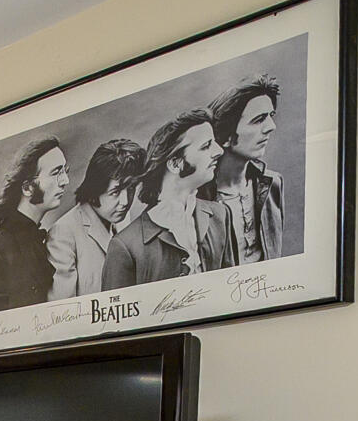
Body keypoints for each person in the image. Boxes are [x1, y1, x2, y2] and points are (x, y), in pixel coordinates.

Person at [103, 110, 236, 288]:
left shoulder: (221, 215)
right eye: (206, 146)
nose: (219, 151)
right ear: (175, 164)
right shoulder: (125, 246)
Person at [0, 137, 70, 313]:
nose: (65, 181)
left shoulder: (34, 241)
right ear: (27, 188)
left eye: (64, 171)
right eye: (55, 173)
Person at [46, 139, 147, 301]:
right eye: (115, 191)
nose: (125, 201)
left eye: (131, 189)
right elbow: (62, 308)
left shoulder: (122, 219)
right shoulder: (63, 233)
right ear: (96, 189)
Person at [210, 78, 286, 265]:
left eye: (271, 116)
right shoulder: (196, 197)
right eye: (258, 120)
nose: (271, 126)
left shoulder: (273, 183)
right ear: (226, 136)